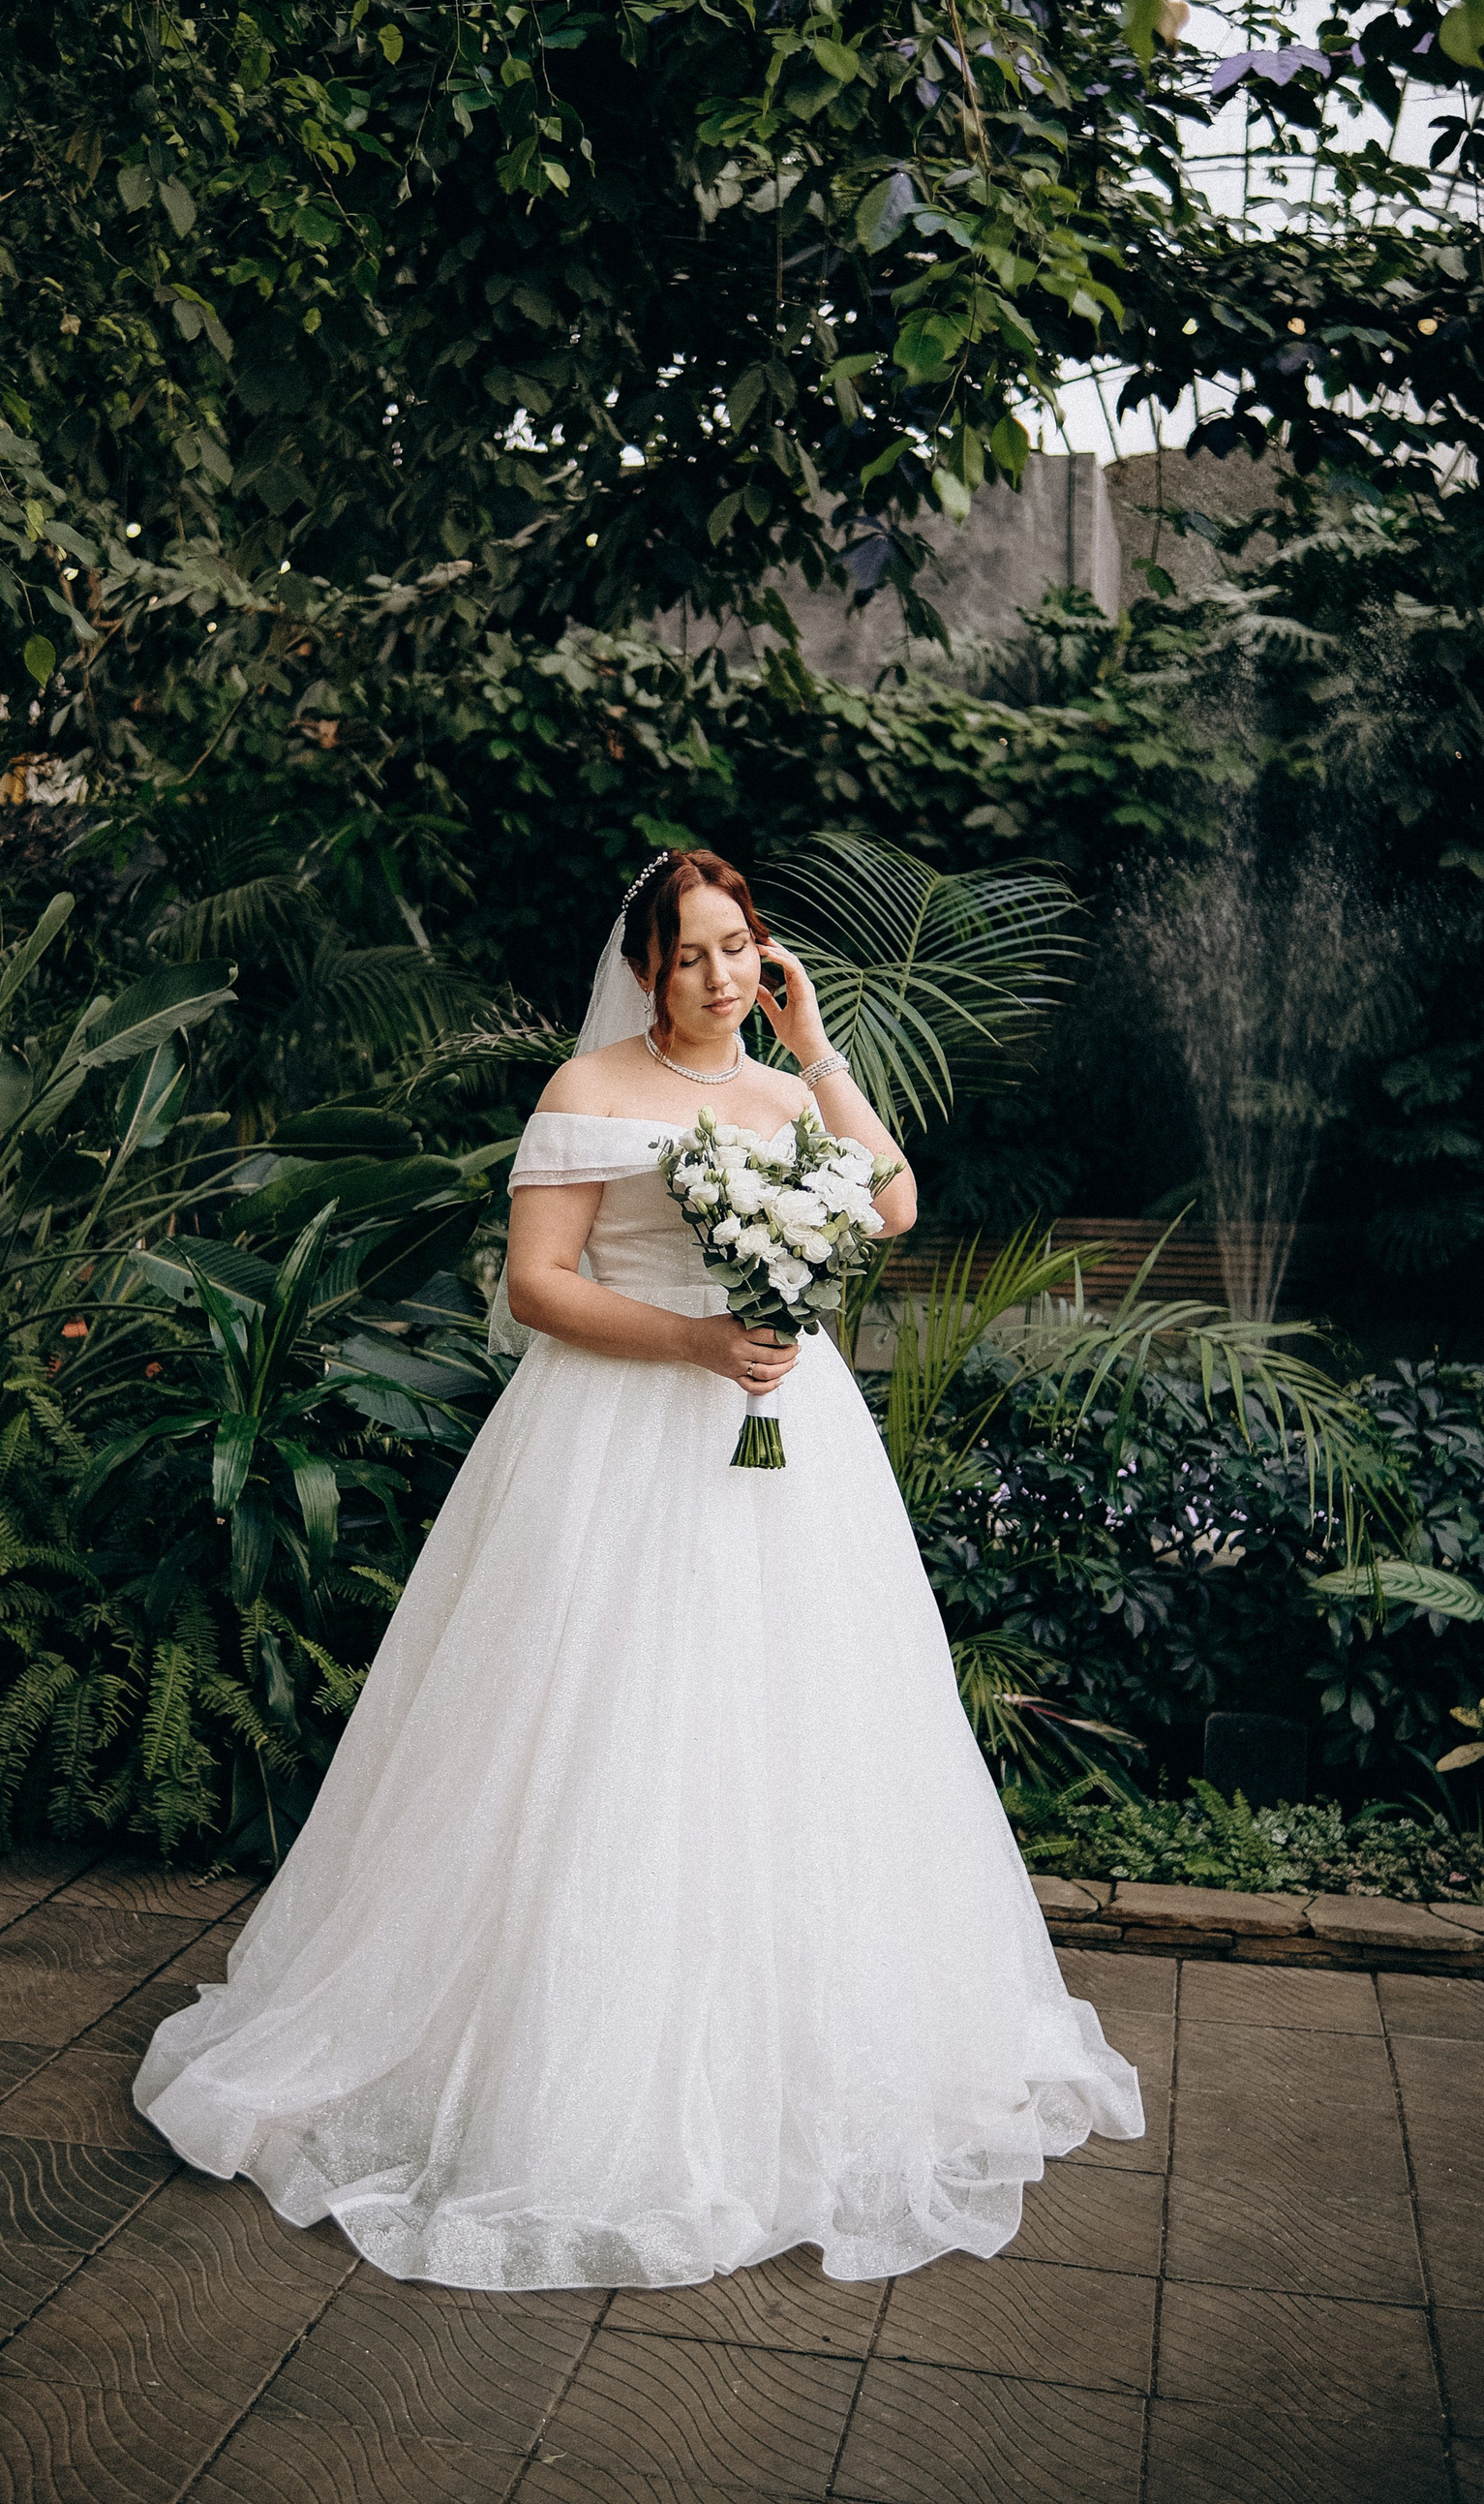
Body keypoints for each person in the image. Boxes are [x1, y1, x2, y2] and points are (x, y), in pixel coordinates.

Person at [134, 847, 1143, 2289]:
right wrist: (696, 1342)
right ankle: (564, 2067)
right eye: (692, 956)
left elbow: (894, 1206)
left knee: (795, 1734)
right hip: (616, 1434)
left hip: (790, 1446)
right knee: (608, 1726)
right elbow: (539, 1284)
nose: (720, 977)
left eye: (740, 949)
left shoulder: (785, 1095)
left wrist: (814, 1044)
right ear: (647, 969)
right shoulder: (589, 1090)